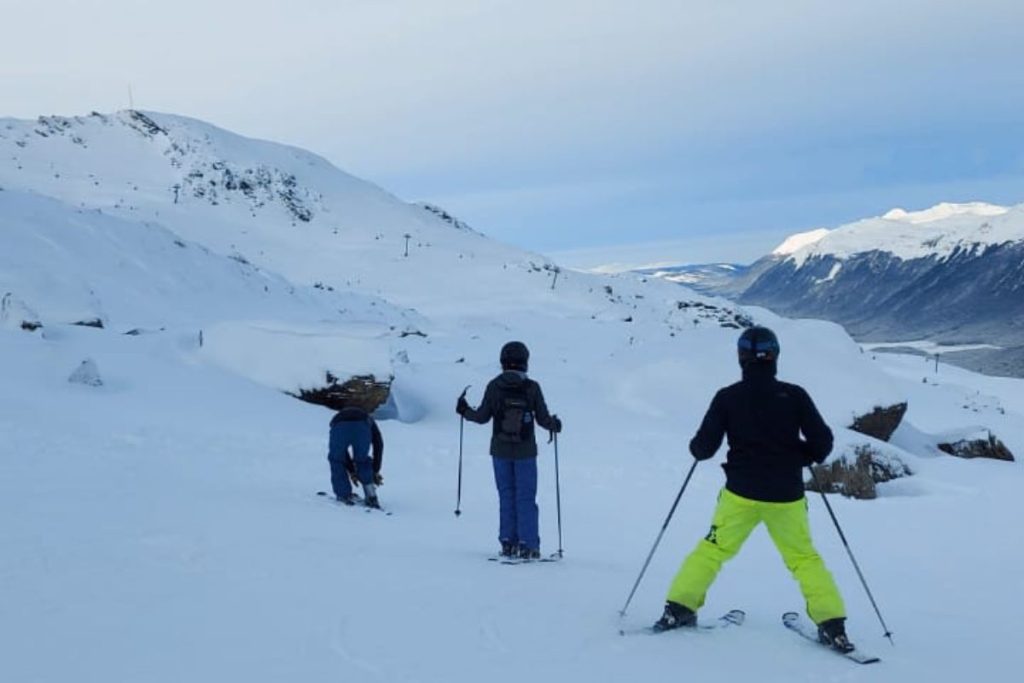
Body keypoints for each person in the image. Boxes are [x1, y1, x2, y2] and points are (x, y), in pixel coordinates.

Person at [653, 326, 855, 653]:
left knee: (712, 550)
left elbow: (703, 448)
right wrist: (798, 455)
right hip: (786, 495)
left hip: (740, 494)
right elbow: (822, 443)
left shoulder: (728, 396)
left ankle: (678, 609)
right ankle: (833, 625)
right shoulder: (794, 395)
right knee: (804, 558)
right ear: (774, 356)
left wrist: (700, 446)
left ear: (741, 357)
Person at [456, 341, 562, 559]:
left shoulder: (494, 385)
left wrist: (464, 410)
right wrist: (555, 424)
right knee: (526, 497)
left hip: (500, 450)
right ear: (526, 361)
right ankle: (529, 545)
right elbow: (543, 419)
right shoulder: (532, 387)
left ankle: (508, 542)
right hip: (526, 452)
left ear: (503, 361)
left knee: (506, 496)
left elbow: (482, 417)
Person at [328, 404, 384, 509]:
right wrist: (375, 469)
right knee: (362, 460)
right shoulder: (369, 419)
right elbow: (378, 443)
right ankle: (371, 495)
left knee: (336, 459)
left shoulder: (337, 418)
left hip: (339, 427)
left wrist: (352, 470)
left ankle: (343, 495)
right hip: (362, 426)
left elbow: (342, 453)